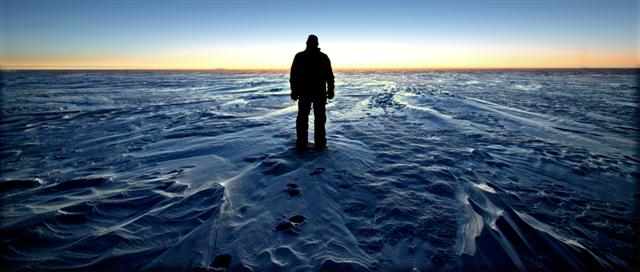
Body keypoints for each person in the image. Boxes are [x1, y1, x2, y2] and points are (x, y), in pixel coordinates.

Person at [289, 34, 335, 150]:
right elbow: (294, 76)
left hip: (309, 94)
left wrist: (330, 90)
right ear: (317, 44)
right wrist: (330, 91)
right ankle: (316, 144)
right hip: (314, 94)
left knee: (307, 119)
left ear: (307, 43)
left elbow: (329, 76)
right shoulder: (321, 57)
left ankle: (305, 144)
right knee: (312, 119)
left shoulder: (301, 56)